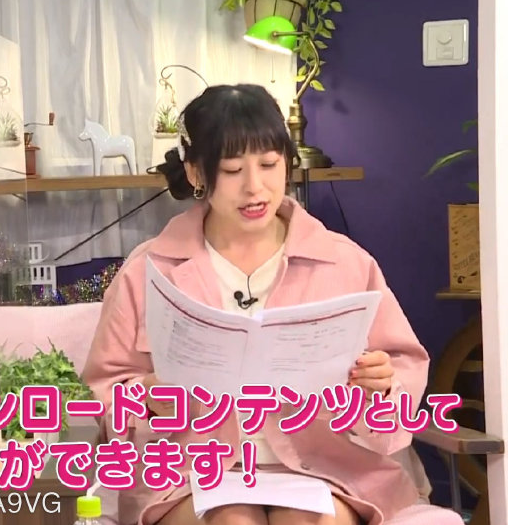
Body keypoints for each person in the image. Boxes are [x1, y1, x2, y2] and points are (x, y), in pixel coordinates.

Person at [81, 84, 430, 525]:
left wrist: (381, 384)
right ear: (196, 173)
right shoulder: (148, 270)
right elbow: (106, 392)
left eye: (268, 164)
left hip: (329, 471)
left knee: (307, 522)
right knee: (233, 521)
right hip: (189, 474)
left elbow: (402, 368)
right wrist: (147, 400)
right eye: (232, 170)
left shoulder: (346, 262)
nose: (255, 187)